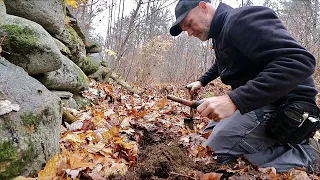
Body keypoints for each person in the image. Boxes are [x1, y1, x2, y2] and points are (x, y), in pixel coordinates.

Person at [170, 0, 320, 173]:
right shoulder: (221, 34)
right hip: (260, 102)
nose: (189, 33)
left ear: (203, 7)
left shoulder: (241, 19)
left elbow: (299, 61)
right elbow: (222, 63)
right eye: (184, 29)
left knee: (217, 157)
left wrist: (234, 100)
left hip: (285, 102)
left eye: (189, 24)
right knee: (207, 142)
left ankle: (307, 155)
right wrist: (202, 81)